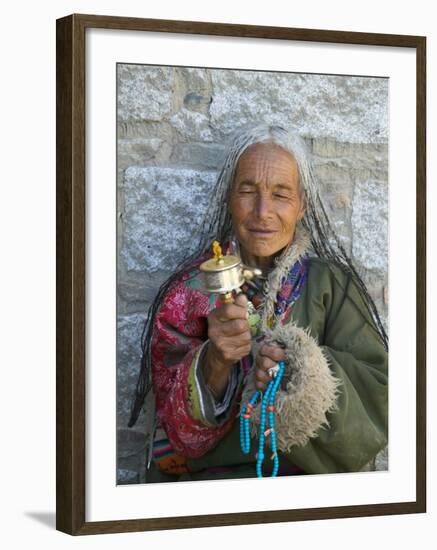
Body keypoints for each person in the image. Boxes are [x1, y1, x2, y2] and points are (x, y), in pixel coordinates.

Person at [127, 124, 388, 482]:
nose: (263, 211)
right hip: (208, 489)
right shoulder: (188, 292)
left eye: (281, 195)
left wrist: (299, 369)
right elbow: (171, 425)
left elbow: (379, 395)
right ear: (229, 199)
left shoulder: (332, 287)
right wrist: (215, 362)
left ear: (301, 205)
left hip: (308, 488)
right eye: (248, 190)